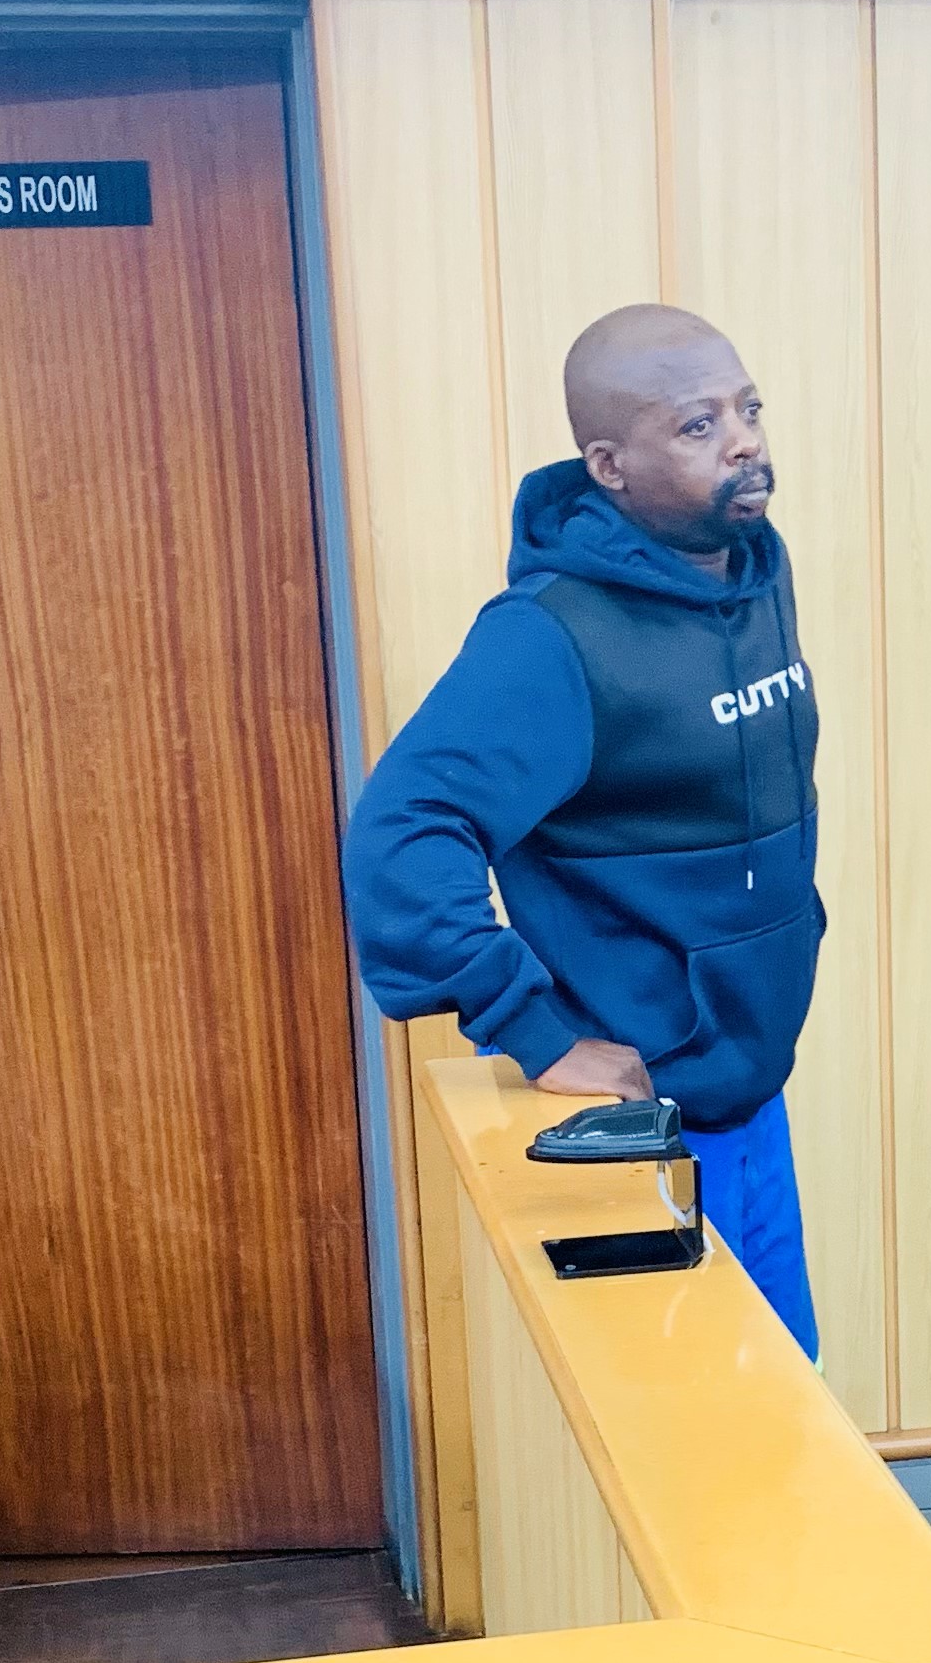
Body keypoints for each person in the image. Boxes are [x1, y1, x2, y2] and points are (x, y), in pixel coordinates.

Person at [343, 302, 822, 1358]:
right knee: (696, 1417)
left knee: (787, 1389)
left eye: (748, 409)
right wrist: (538, 1031)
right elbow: (402, 830)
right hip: (646, 1120)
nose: (743, 440)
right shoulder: (552, 635)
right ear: (609, 465)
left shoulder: (753, 568)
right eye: (697, 424)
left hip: (747, 1088)